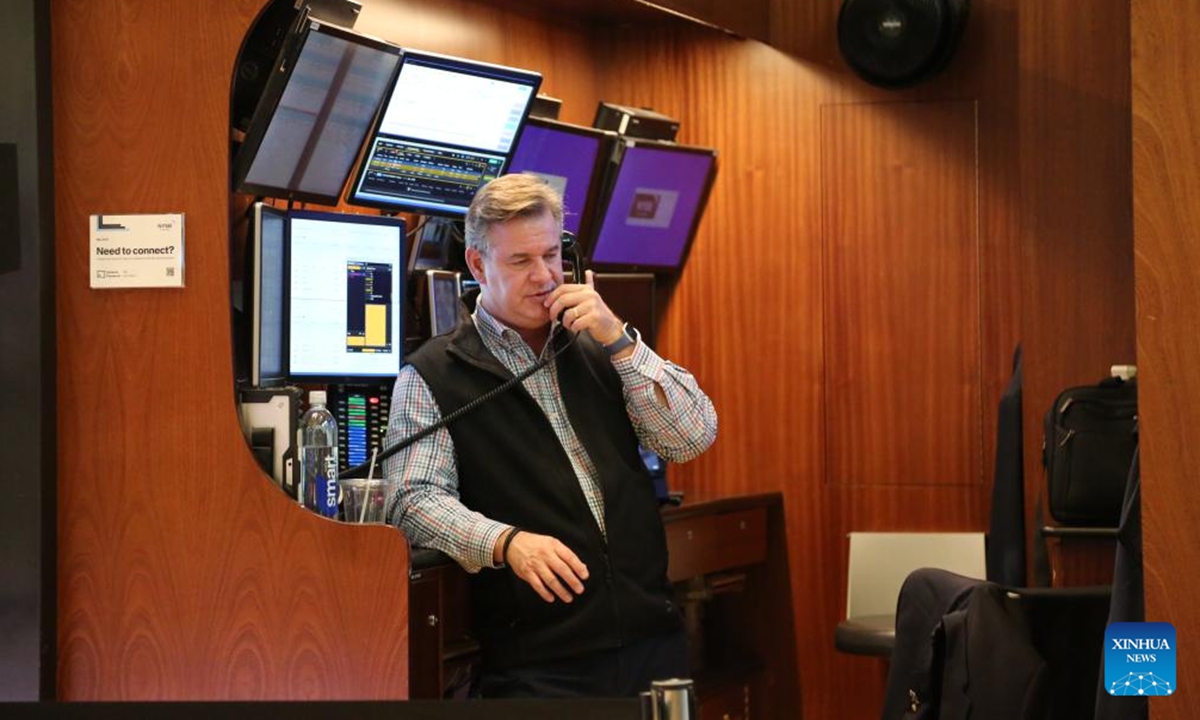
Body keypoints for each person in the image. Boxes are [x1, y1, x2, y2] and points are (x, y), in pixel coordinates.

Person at [384, 173, 718, 698]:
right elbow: (412, 499)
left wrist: (621, 342)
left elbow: (691, 436)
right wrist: (505, 542)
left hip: (652, 640)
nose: (543, 276)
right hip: (540, 664)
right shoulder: (433, 374)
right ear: (478, 265)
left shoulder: (600, 345)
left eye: (551, 256)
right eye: (520, 261)